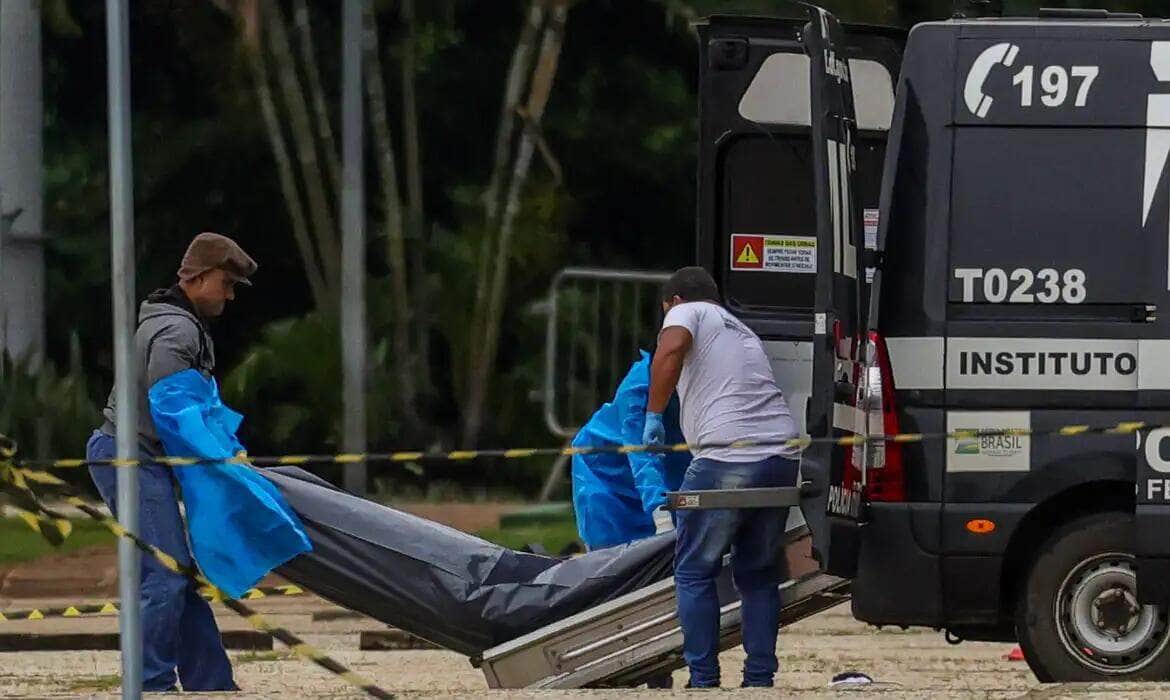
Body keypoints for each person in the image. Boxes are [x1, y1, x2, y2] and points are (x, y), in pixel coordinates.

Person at [86, 232, 256, 692]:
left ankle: (210, 683)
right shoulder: (177, 331)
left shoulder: (179, 323)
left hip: (136, 454)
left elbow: (197, 408)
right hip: (128, 456)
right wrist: (221, 458)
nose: (229, 295)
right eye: (226, 283)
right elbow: (175, 409)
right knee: (164, 576)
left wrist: (227, 449)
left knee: (176, 573)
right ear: (197, 278)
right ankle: (149, 684)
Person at [644, 266, 801, 689]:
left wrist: (654, 414)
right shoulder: (740, 328)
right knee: (758, 575)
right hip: (781, 457)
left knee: (694, 570)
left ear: (675, 300)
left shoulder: (686, 311)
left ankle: (704, 680)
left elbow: (671, 350)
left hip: (727, 457)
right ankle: (759, 681)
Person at [570, 350, 689, 551]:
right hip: (606, 477)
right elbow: (641, 453)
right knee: (613, 558)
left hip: (669, 474)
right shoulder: (637, 387)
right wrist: (661, 514)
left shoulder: (701, 378)